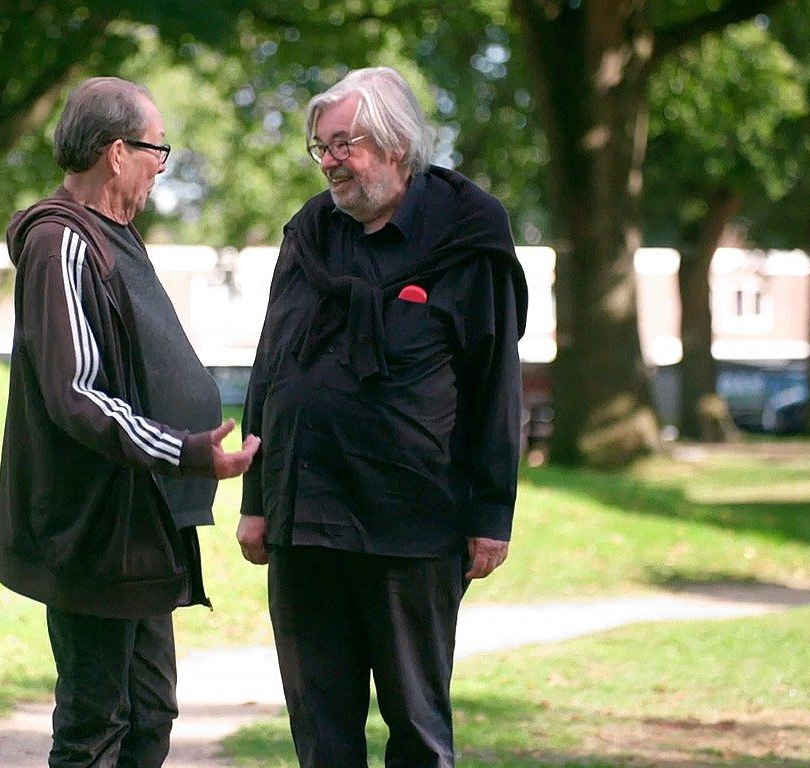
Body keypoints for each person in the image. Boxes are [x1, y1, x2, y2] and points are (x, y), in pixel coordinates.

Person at [235, 66, 528, 767]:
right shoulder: (310, 232)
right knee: (321, 733)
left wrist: (491, 515)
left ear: (397, 144)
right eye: (321, 147)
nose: (330, 160)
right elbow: (271, 365)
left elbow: (496, 384)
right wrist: (256, 497)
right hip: (307, 522)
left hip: (411, 525)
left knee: (419, 731)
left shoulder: (468, 231)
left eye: (344, 143)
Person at [0, 76, 260, 768]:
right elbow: (76, 394)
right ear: (118, 153)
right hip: (94, 530)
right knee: (95, 723)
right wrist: (182, 450)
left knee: (150, 711)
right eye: (157, 150)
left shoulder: (114, 236)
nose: (161, 167)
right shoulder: (62, 243)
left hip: (141, 527)